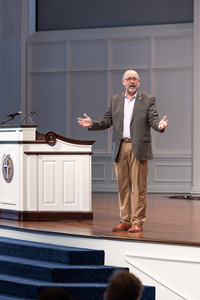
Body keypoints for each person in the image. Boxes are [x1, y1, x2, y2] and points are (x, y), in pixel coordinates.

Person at [77, 69, 168, 233]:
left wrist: (159, 126)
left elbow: (153, 119)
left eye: (135, 79)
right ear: (123, 82)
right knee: (123, 186)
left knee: (139, 187)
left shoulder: (147, 99)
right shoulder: (116, 100)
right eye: (129, 79)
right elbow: (107, 120)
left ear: (138, 82)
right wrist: (92, 124)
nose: (132, 82)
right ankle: (126, 220)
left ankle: (138, 222)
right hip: (120, 147)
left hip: (138, 147)